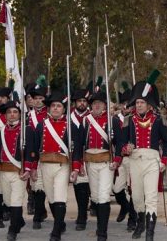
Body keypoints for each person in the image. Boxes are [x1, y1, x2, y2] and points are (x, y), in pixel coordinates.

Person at [122, 71, 167, 241]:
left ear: (149, 105)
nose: (139, 105)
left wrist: (164, 161)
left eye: (142, 102)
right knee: (136, 196)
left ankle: (150, 233)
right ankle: (140, 223)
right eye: (137, 102)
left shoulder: (159, 119)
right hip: (135, 161)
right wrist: (125, 148)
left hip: (152, 161)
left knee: (150, 196)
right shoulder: (128, 120)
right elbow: (122, 143)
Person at [34, 91, 84, 241]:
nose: (56, 108)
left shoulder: (71, 126)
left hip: (62, 165)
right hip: (45, 165)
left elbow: (76, 150)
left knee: (60, 196)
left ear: (64, 109)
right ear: (49, 109)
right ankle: (59, 223)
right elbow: (34, 148)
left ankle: (55, 233)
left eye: (59, 106)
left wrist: (75, 168)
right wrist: (31, 168)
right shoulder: (41, 125)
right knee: (50, 197)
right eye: (53, 106)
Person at [0, 101, 33, 241]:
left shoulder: (26, 130)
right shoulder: (0, 130)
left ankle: (12, 230)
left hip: (18, 171)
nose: (12, 114)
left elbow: (31, 150)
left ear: (19, 114)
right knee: (7, 201)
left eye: (15, 112)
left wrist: (28, 169)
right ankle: (19, 221)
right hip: (3, 170)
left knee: (16, 200)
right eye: (9, 112)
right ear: (5, 115)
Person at [83, 91, 122, 241]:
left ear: (105, 105)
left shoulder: (112, 121)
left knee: (104, 195)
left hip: (107, 162)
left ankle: (102, 232)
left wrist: (117, 160)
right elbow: (80, 142)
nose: (97, 105)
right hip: (91, 162)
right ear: (91, 106)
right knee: (95, 196)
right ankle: (100, 225)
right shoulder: (86, 121)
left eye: (100, 103)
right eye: (94, 103)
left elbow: (120, 142)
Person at [112, 89, 137, 232]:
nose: (126, 106)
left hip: (133, 158)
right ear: (121, 105)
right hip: (121, 158)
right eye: (124, 104)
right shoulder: (115, 119)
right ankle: (125, 206)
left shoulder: (135, 119)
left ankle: (132, 219)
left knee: (134, 189)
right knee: (117, 189)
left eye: (129, 104)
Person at [70, 88, 91, 231]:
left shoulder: (91, 117)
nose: (82, 103)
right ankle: (82, 214)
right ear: (75, 103)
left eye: (84, 101)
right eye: (79, 101)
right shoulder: (68, 117)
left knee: (86, 187)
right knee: (78, 186)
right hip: (72, 155)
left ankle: (84, 213)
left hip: (88, 155)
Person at [27, 86, 49, 228]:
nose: (39, 101)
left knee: (43, 185)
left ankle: (38, 213)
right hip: (32, 153)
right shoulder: (28, 116)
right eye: (36, 99)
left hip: (47, 152)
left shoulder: (50, 114)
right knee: (35, 185)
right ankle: (39, 211)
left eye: (41, 98)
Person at [0, 87, 12, 228]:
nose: (0, 99)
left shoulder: (14, 114)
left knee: (11, 187)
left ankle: (8, 209)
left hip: (13, 158)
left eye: (3, 97)